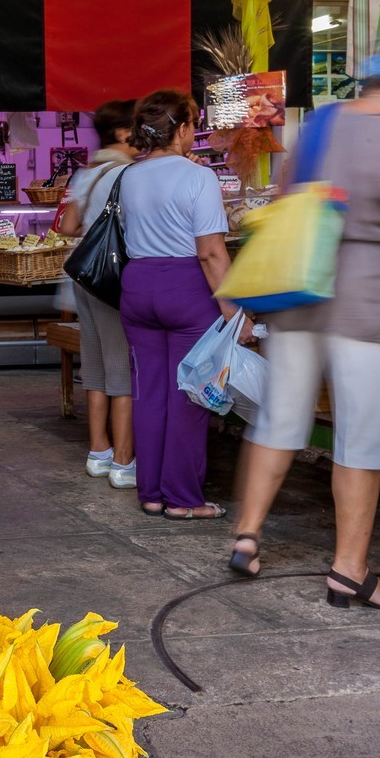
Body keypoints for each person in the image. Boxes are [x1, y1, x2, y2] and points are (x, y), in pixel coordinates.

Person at [230, 23, 380, 608]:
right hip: (369, 312)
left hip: (300, 298)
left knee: (280, 420)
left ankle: (247, 535)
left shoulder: (320, 125)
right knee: (362, 439)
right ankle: (349, 569)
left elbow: (280, 208)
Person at [118, 90, 246, 519]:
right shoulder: (199, 177)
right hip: (185, 288)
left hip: (137, 287)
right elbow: (211, 252)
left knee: (149, 393)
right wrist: (235, 314)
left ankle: (151, 493)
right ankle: (183, 499)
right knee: (191, 393)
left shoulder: (129, 175)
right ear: (184, 128)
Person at [60, 101, 138, 488]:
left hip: (86, 276)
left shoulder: (86, 173)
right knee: (120, 366)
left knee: (93, 365)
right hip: (114, 278)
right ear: (124, 133)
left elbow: (70, 226)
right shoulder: (129, 172)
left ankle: (98, 451)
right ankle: (123, 462)